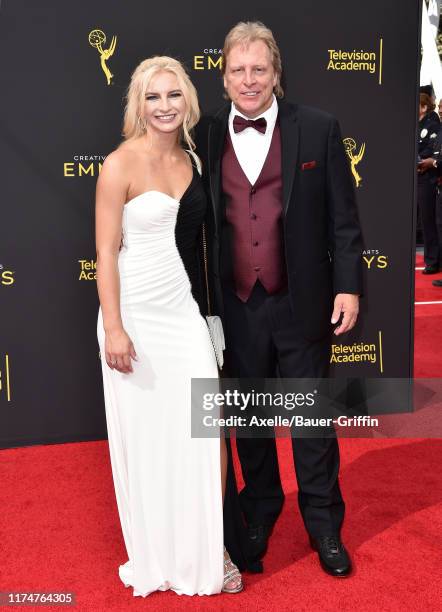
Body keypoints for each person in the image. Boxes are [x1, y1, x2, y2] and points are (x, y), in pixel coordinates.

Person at [195, 21, 363, 578]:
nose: (249, 80)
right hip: (236, 305)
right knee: (251, 423)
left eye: (258, 69)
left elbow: (344, 217)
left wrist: (347, 285)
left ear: (276, 74)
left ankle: (324, 525)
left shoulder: (317, 129)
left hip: (302, 301)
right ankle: (260, 512)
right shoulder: (209, 134)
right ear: (224, 77)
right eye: (238, 70)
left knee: (313, 423)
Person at [95, 56, 243, 597]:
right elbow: (105, 254)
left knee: (204, 433)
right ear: (139, 103)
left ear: (188, 101)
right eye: (153, 97)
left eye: (173, 95)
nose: (164, 106)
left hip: (180, 310)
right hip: (133, 312)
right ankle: (158, 550)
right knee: (150, 438)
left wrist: (209, 317)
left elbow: (198, 248)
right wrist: (113, 327)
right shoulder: (119, 164)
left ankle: (212, 544)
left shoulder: (193, 161)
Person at [418, 92, 440, 274]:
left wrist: (423, 160)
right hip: (419, 177)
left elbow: (431, 150)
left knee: (430, 220)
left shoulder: (432, 125)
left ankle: (433, 260)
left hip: (429, 178)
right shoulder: (415, 125)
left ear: (424, 107)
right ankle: (432, 258)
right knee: (427, 221)